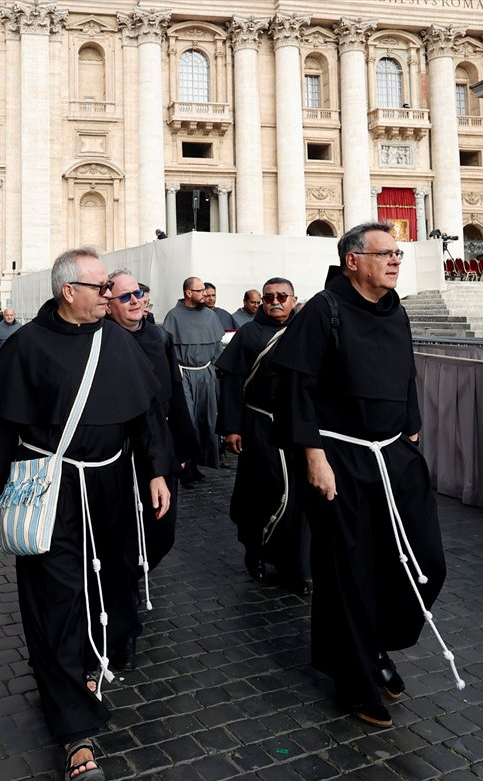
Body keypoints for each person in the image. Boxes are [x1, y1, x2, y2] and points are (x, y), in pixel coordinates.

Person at [0, 248, 172, 781]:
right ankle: (75, 732)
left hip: (110, 488)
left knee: (107, 584)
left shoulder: (120, 342)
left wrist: (156, 471)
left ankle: (89, 661)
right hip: (51, 491)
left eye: (111, 288)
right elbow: (0, 423)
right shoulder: (29, 346)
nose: (110, 295)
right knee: (55, 600)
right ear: (68, 292)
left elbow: (144, 413)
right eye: (101, 287)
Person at [270, 222, 450, 729]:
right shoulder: (321, 313)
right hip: (340, 460)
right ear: (353, 261)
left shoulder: (398, 312)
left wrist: (412, 431)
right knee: (349, 574)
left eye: (398, 253)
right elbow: (297, 390)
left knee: (425, 563)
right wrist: (313, 455)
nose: (396, 260)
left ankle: (373, 644)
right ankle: (355, 677)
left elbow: (407, 374)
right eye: (385, 253)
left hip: (395, 457)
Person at [105, 269, 197, 668]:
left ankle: (127, 577)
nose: (137, 300)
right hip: (117, 451)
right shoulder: (102, 340)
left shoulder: (160, 336)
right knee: (120, 536)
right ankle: (121, 623)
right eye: (126, 297)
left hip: (160, 447)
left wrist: (183, 448)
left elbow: (174, 393)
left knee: (162, 532)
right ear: (108, 303)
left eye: (139, 292)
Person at [216, 278, 308, 595]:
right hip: (260, 426)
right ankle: (256, 551)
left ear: (294, 299)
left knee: (299, 496)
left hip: (298, 427)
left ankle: (294, 563)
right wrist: (231, 427)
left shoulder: (305, 332)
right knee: (265, 491)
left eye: (282, 296)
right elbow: (231, 382)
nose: (275, 301)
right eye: (268, 297)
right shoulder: (249, 334)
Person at [162, 277, 224, 476]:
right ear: (189, 293)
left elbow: (216, 348)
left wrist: (214, 371)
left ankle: (197, 463)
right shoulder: (173, 316)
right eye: (201, 291)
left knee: (207, 420)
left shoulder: (210, 316)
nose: (205, 295)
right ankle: (185, 465)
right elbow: (168, 351)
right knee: (187, 420)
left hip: (206, 374)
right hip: (183, 374)